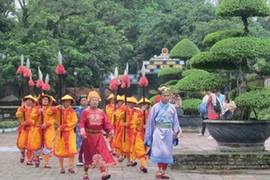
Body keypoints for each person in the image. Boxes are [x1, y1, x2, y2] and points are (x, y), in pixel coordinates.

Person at [144, 85, 180, 179]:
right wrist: (149, 134)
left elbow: (175, 121)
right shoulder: (155, 107)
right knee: (159, 151)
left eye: (168, 95)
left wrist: (176, 133)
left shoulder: (172, 108)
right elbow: (151, 121)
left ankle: (163, 171)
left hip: (169, 132)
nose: (166, 97)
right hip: (158, 131)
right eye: (164, 95)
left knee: (167, 152)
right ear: (160, 96)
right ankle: (159, 170)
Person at [79, 91, 115, 180]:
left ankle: (103, 173)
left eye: (96, 100)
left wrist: (110, 131)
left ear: (98, 102)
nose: (95, 102)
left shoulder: (101, 112)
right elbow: (82, 123)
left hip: (99, 136)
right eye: (93, 100)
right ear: (89, 101)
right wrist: (82, 131)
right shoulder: (85, 112)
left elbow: (106, 124)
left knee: (101, 153)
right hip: (88, 137)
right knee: (88, 154)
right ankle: (85, 172)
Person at [29, 93, 55, 168]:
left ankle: (46, 162)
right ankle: (37, 158)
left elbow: (53, 119)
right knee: (37, 145)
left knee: (47, 145)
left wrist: (47, 124)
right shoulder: (36, 108)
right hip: (38, 129)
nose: (45, 101)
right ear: (40, 100)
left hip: (48, 130)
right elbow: (32, 117)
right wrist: (38, 112)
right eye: (44, 99)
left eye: (47, 99)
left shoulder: (51, 109)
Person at [53, 95, 78, 174]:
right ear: (63, 102)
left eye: (69, 102)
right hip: (60, 133)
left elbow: (74, 122)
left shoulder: (72, 112)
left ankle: (70, 166)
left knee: (71, 149)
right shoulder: (57, 110)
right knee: (60, 150)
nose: (68, 103)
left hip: (69, 132)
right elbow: (48, 113)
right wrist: (56, 108)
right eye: (66, 102)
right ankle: (62, 167)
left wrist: (65, 127)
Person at [132, 97, 152, 173]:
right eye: (142, 104)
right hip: (139, 134)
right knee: (140, 150)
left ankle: (143, 164)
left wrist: (148, 125)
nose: (144, 105)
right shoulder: (137, 113)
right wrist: (141, 112)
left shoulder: (150, 114)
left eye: (145, 104)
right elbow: (135, 122)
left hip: (147, 135)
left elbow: (153, 123)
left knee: (145, 150)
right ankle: (144, 165)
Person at [15, 95, 36, 165]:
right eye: (27, 100)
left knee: (30, 144)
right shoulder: (21, 108)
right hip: (23, 129)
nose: (29, 101)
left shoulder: (34, 110)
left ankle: (29, 159)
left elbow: (35, 119)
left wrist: (30, 122)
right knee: (21, 144)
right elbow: (18, 115)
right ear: (25, 101)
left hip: (31, 128)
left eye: (30, 100)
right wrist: (22, 110)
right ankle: (23, 154)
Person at [75, 94, 89, 166]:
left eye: (85, 100)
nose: (84, 102)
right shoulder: (77, 110)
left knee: (88, 143)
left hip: (88, 128)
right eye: (82, 100)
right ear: (80, 102)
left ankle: (88, 159)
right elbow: (75, 120)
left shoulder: (90, 109)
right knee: (80, 143)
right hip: (79, 128)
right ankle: (80, 159)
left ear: (87, 101)